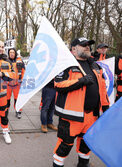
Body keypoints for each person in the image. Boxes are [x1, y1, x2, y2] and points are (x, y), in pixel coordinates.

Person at [53, 37, 110, 167]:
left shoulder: (95, 65)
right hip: (72, 117)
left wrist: (106, 107)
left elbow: (102, 88)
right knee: (64, 146)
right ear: (73, 49)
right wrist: (80, 82)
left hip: (92, 116)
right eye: (83, 45)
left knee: (86, 144)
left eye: (88, 45)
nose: (87, 47)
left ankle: (83, 164)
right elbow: (58, 84)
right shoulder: (66, 65)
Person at [6, 48, 25, 119]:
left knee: (17, 99)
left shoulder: (20, 61)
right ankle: (6, 111)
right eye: (10, 52)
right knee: (6, 99)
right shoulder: (6, 61)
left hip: (17, 84)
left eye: (13, 52)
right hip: (8, 84)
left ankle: (18, 111)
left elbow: (23, 71)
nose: (11, 54)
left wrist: (22, 80)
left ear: (15, 53)